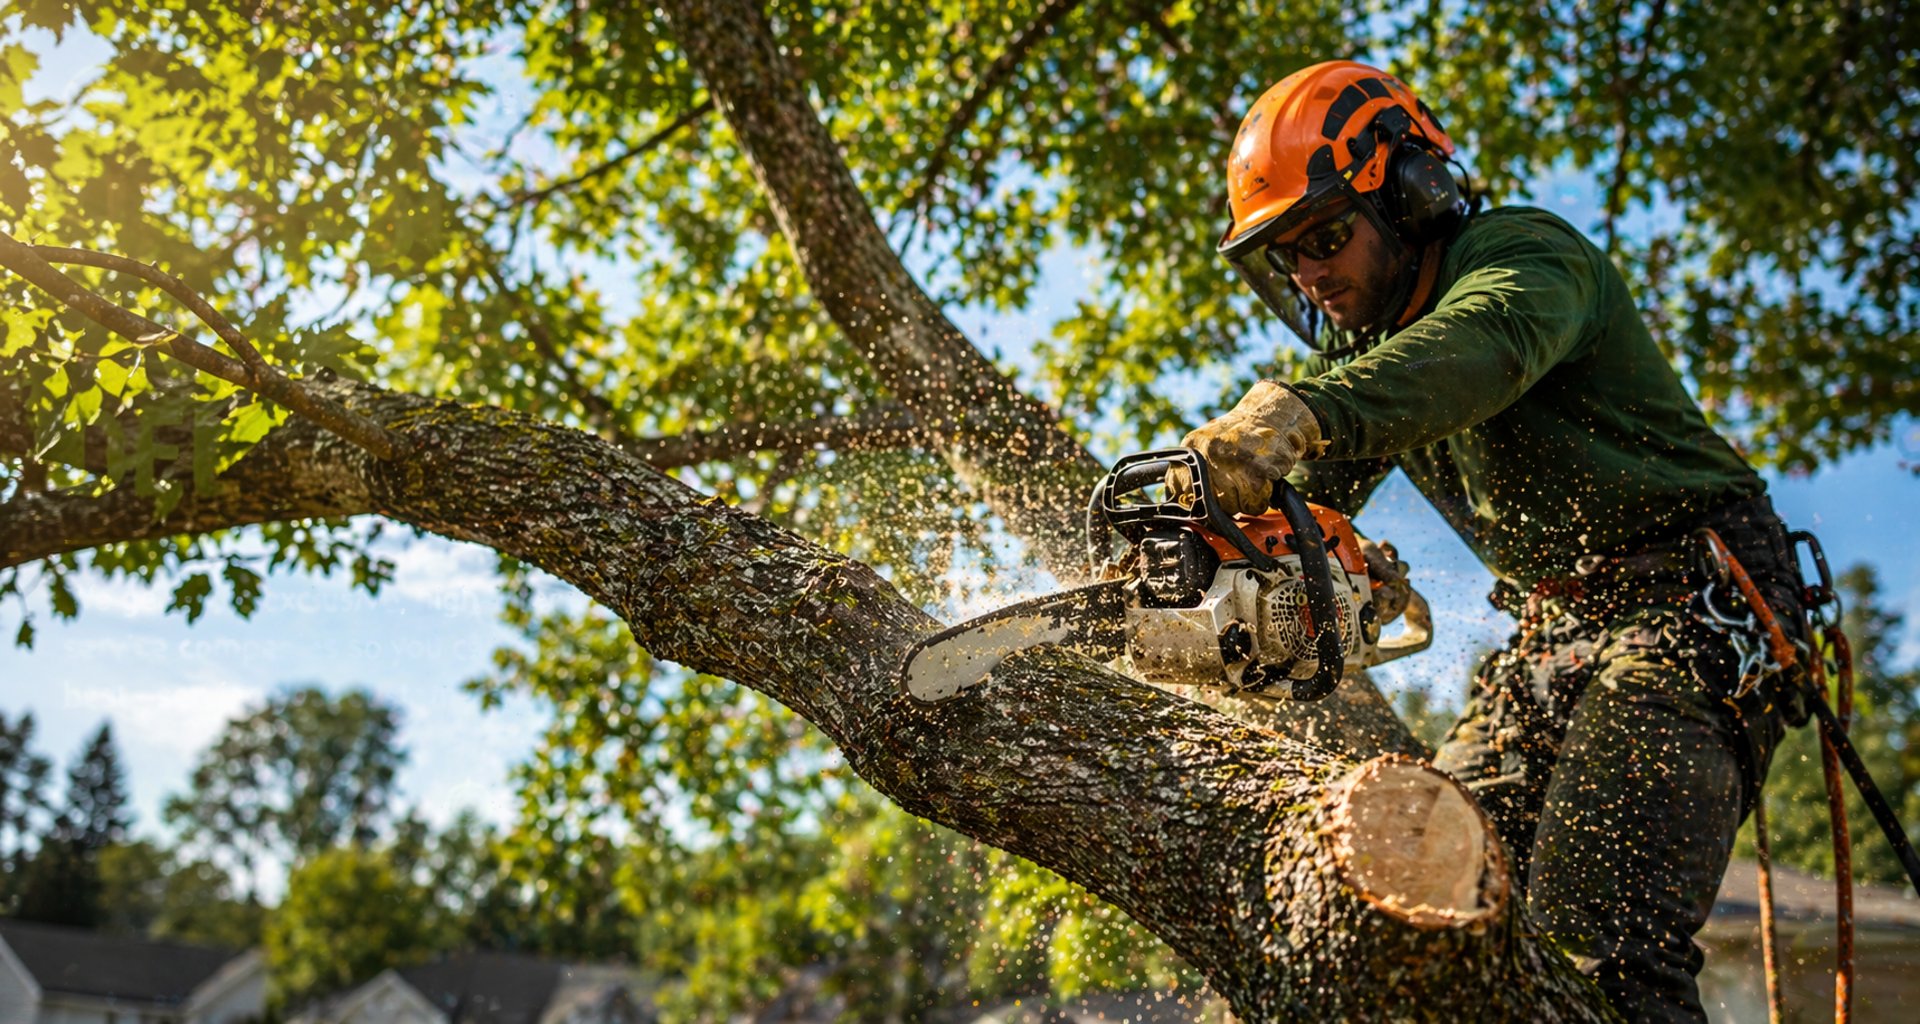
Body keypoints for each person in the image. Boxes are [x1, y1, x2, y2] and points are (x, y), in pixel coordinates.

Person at [1180, 60, 1810, 1022]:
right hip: (1553, 644)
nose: (1310, 273)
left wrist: (1302, 411)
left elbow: (1487, 344)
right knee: (1390, 909)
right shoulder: (1365, 359)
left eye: (1327, 237)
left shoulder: (1522, 256)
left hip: (1695, 603)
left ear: (1408, 192)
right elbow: (1301, 499)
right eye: (1287, 256)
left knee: (1596, 938)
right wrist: (1216, 554)